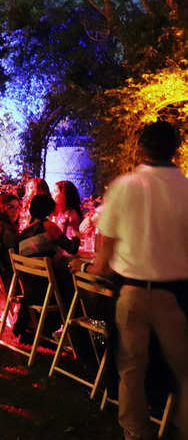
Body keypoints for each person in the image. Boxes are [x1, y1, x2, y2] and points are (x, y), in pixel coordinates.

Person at [72, 121, 188, 440]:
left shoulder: (125, 186)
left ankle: (136, 433)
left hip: (133, 292)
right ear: (175, 149)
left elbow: (104, 258)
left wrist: (83, 269)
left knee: (131, 371)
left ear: (142, 148)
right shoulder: (186, 189)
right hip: (176, 295)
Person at [16, 194, 80, 339]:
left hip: (29, 287)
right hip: (46, 291)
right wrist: (76, 235)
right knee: (75, 284)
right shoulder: (49, 227)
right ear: (49, 209)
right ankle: (73, 333)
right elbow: (71, 248)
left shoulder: (25, 231)